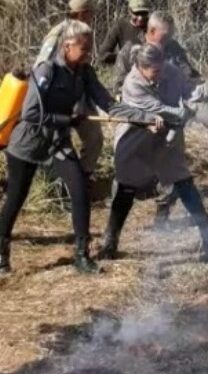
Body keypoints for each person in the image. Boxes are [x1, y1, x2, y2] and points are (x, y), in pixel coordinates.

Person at [0, 21, 153, 275]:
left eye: (90, 48)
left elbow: (107, 103)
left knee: (80, 189)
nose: (88, 53)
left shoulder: (85, 72)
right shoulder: (46, 71)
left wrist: (139, 117)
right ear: (67, 45)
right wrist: (67, 120)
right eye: (83, 48)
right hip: (28, 143)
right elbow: (30, 114)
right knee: (16, 198)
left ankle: (82, 255)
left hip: (57, 143)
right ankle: (2, 253)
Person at [97, 44, 208, 263]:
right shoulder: (132, 84)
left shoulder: (169, 70)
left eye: (161, 69)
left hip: (166, 141)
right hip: (136, 141)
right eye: (155, 72)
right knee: (125, 189)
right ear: (141, 67)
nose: (160, 75)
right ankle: (110, 242)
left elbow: (192, 91)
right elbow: (161, 111)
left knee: (185, 184)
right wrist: (186, 113)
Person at [113, 11, 202, 228]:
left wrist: (205, 91)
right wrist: (142, 111)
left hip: (169, 127)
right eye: (164, 37)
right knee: (127, 183)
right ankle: (111, 236)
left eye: (170, 37)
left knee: (176, 177)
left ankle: (163, 218)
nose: (168, 42)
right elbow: (117, 87)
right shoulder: (129, 51)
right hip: (137, 127)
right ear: (151, 32)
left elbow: (189, 79)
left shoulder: (173, 51)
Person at [35, 0, 104, 177]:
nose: (92, 18)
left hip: (80, 94)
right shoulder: (59, 34)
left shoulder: (84, 33)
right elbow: (41, 67)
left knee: (94, 137)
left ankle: (84, 177)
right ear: (82, 13)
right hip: (58, 98)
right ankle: (57, 183)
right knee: (58, 144)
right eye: (90, 14)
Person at [98, 0, 151, 65]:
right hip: (128, 71)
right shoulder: (120, 26)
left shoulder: (153, 26)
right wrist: (124, 58)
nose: (140, 18)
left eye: (143, 13)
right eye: (136, 13)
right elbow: (103, 55)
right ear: (129, 11)